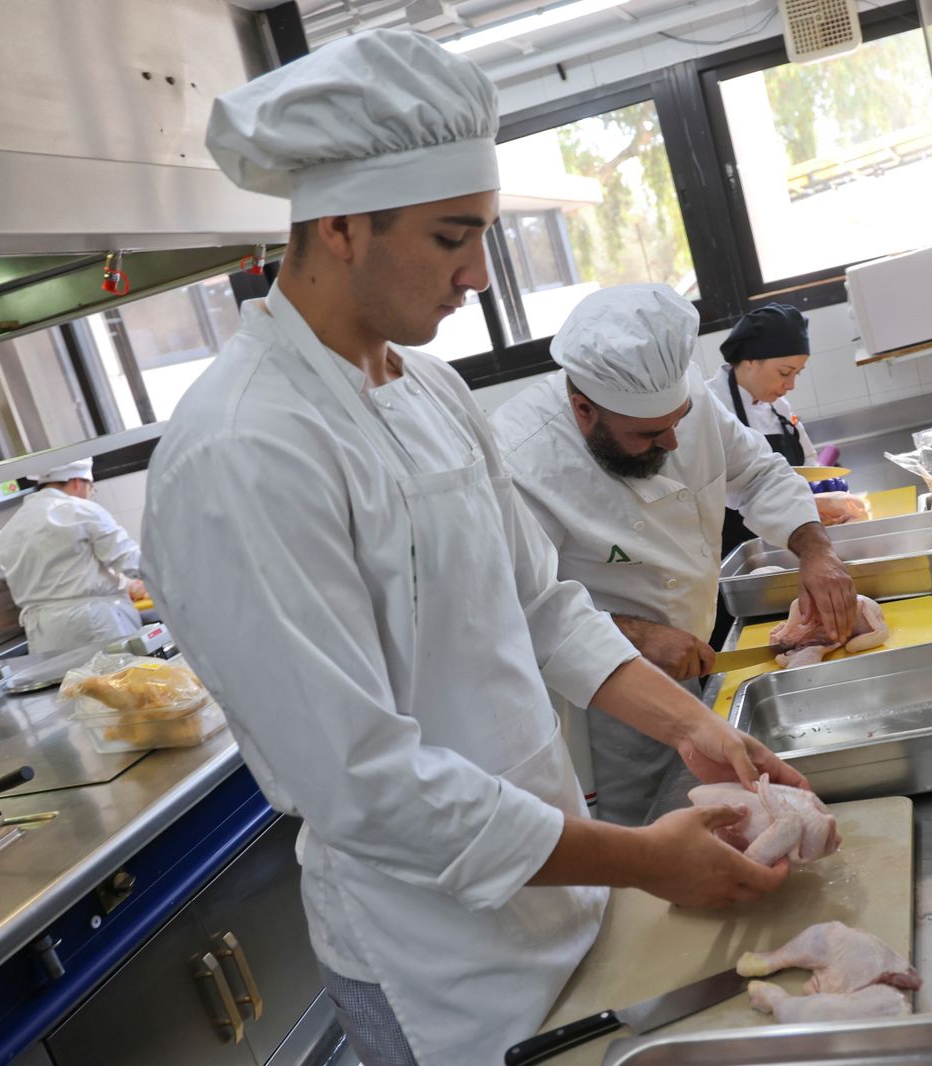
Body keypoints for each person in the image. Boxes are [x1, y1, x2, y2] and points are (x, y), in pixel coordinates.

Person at [141, 31, 805, 1066]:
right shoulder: (242, 452)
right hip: (436, 960)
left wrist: (690, 728)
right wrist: (639, 857)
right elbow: (363, 782)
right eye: (454, 237)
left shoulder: (428, 390)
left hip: (559, 885)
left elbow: (541, 606)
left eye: (483, 233)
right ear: (344, 225)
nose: (477, 273)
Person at [492, 284, 857, 826]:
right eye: (647, 434)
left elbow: (757, 474)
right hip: (604, 695)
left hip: (692, 658)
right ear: (584, 409)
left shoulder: (686, 402)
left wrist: (815, 550)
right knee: (646, 820)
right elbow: (520, 605)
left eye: (677, 421)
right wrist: (641, 637)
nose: (673, 444)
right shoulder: (521, 461)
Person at [706, 303, 849, 556]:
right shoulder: (710, 406)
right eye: (785, 372)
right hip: (735, 553)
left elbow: (808, 463)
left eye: (797, 374)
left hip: (785, 542)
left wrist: (819, 494)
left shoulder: (778, 408)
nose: (791, 384)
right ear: (749, 360)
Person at [0, 458, 145, 654]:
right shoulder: (82, 510)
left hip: (45, 632)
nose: (90, 494)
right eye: (91, 488)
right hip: (93, 624)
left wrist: (126, 585)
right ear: (78, 482)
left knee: (71, 684)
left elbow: (58, 576)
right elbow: (132, 561)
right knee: (116, 681)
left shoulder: (9, 529)